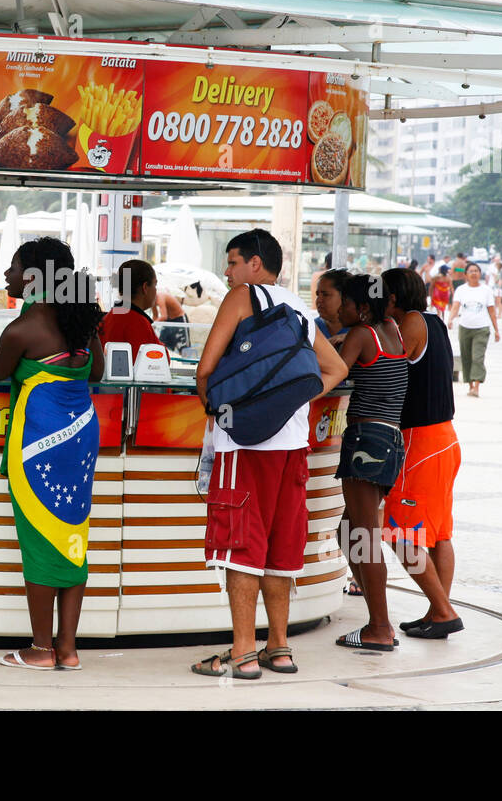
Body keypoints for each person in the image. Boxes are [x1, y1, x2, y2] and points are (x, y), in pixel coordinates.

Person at [192, 230, 348, 678]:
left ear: (255, 265)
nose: (227, 271)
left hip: (245, 448)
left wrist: (229, 412)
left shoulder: (242, 296)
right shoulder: (298, 308)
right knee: (281, 549)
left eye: (233, 261)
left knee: (241, 546)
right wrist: (288, 403)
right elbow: (334, 368)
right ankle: (279, 649)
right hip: (292, 449)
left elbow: (205, 370)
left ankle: (242, 652)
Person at [0, 237, 103, 670]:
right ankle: (68, 649)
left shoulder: (23, 328)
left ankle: (41, 651)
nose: (6, 275)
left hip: (39, 440)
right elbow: (96, 372)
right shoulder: (80, 318)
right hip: (81, 434)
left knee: (40, 539)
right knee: (72, 536)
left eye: (12, 267)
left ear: (32, 276)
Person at [381, 269, 463, 638]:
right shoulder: (434, 321)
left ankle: (443, 612)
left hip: (421, 443)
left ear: (393, 299)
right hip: (444, 437)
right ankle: (437, 611)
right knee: (439, 534)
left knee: (402, 533)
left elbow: (384, 363)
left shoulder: (410, 324)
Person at [333, 273, 410, 651]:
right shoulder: (391, 329)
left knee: (363, 538)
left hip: (367, 441)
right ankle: (374, 611)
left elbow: (332, 373)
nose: (338, 308)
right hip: (392, 441)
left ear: (361, 308)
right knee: (348, 532)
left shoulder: (361, 335)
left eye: (344, 301)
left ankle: (379, 628)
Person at [448, 263, 499, 397]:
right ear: (466, 275)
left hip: (481, 328)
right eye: (471, 271)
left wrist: (496, 330)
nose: (474, 273)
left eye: (476, 271)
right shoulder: (461, 290)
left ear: (480, 274)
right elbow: (455, 306)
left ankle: (476, 387)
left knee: (477, 357)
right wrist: (450, 319)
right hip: (465, 327)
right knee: (466, 357)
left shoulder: (486, 290)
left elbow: (492, 311)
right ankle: (470, 385)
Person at [100, 259, 162, 357]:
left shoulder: (107, 319)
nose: (156, 290)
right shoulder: (139, 324)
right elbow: (158, 360)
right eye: (155, 284)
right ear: (145, 287)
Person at [313, 268, 351, 339]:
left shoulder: (361, 332)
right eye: (318, 294)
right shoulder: (310, 328)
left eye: (325, 294)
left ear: (345, 297)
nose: (318, 300)